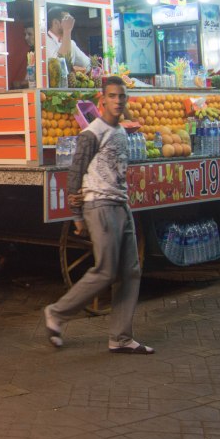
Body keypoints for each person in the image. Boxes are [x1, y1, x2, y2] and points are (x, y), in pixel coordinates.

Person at [42, 76, 153, 354]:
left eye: (122, 97)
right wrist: (77, 214)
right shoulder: (92, 132)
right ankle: (56, 313)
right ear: (102, 99)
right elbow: (75, 173)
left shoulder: (121, 131)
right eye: (113, 96)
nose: (118, 101)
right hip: (99, 205)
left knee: (130, 271)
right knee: (106, 270)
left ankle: (121, 337)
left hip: (120, 205)